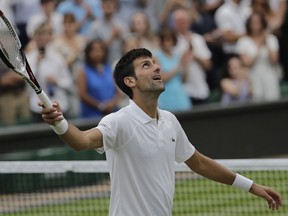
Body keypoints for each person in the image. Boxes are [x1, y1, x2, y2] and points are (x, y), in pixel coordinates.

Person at [40, 48, 282, 216]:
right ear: (130, 82)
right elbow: (81, 141)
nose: (157, 67)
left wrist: (250, 186)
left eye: (155, 62)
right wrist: (59, 123)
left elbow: (199, 162)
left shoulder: (170, 121)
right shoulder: (118, 122)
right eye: (146, 65)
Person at [26, 21, 73, 122]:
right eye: (39, 34)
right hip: (38, 109)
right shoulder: (29, 59)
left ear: (49, 37)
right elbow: (27, 84)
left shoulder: (58, 57)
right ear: (34, 37)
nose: (42, 37)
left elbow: (68, 83)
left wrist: (57, 81)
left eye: (45, 34)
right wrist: (36, 64)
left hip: (60, 106)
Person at [236, 12, 281, 102]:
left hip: (270, 74)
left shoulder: (271, 39)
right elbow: (247, 63)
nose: (256, 25)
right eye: (253, 22)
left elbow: (274, 60)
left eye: (258, 22)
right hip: (253, 76)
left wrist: (266, 42)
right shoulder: (243, 41)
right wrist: (260, 43)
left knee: (273, 99)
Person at [76, 39, 121, 118]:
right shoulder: (83, 71)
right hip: (91, 116)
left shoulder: (110, 68)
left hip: (112, 113)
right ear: (88, 53)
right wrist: (101, 106)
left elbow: (118, 91)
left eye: (100, 50)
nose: (98, 53)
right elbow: (82, 95)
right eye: (94, 50)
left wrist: (112, 104)